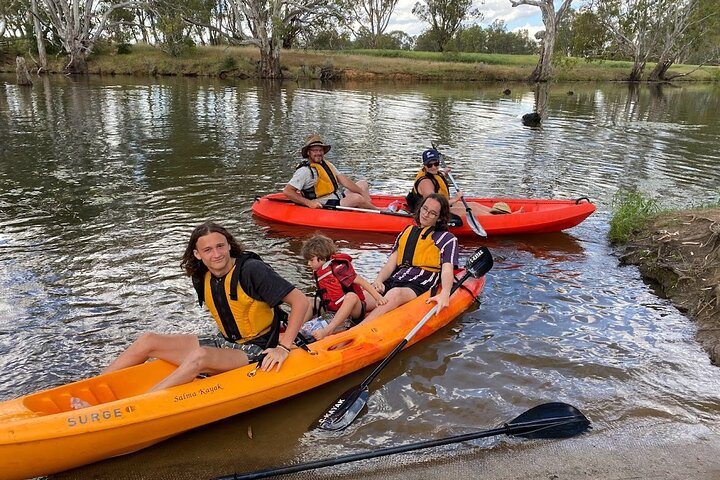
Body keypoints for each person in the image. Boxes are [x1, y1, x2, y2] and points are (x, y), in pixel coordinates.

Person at [100, 222, 307, 393]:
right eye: (207, 250)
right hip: (224, 342)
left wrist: (283, 348)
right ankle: (97, 390)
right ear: (198, 254)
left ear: (229, 246)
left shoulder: (251, 270)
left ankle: (141, 404)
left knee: (200, 356)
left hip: (256, 349)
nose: (216, 254)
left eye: (220, 246)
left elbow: (300, 301)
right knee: (148, 340)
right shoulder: (201, 275)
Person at [364, 193, 459, 323]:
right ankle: (332, 328)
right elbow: (391, 264)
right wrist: (378, 281)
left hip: (420, 285)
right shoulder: (406, 232)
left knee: (395, 294)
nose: (425, 214)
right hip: (396, 280)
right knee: (363, 296)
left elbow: (447, 270)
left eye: (432, 213)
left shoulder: (447, 239)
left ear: (439, 218)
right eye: (424, 209)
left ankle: (358, 329)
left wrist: (445, 293)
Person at [300, 234, 387, 340]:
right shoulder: (319, 271)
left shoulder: (338, 268)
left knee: (351, 296)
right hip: (331, 311)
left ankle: (328, 330)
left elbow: (361, 281)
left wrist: (378, 297)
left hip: (353, 312)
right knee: (309, 301)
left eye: (311, 260)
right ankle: (298, 329)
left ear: (322, 258)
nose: (308, 263)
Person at [283, 134, 381, 210]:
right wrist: (309, 203)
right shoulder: (304, 171)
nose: (318, 153)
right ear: (308, 153)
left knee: (362, 184)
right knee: (356, 198)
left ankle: (362, 206)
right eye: (315, 150)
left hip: (337, 197)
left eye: (320, 150)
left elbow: (345, 181)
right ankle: (379, 211)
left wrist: (362, 192)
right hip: (325, 204)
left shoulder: (327, 164)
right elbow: (288, 191)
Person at [405, 148, 496, 217]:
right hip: (430, 213)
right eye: (429, 165)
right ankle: (496, 220)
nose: (433, 167)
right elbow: (433, 204)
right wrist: (455, 199)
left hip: (441, 206)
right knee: (473, 210)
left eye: (436, 164)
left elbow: (437, 183)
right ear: (424, 165)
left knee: (474, 205)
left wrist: (444, 174)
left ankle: (498, 213)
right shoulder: (425, 182)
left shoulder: (434, 174)